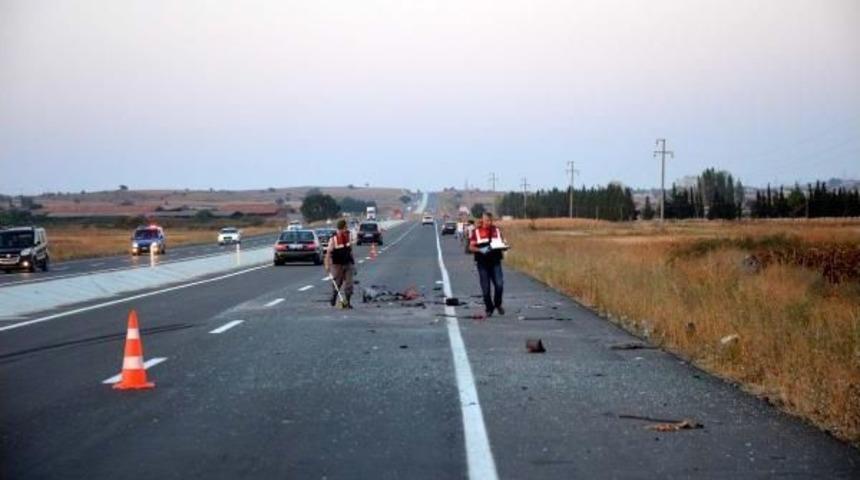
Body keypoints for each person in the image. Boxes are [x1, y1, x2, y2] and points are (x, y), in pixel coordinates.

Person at [468, 212, 506, 317]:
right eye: (487, 221)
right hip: (483, 263)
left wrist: (504, 246)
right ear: (483, 220)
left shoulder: (497, 231)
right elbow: (470, 247)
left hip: (495, 262)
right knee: (486, 289)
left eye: (490, 220)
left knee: (499, 285)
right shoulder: (476, 232)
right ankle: (489, 308)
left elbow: (502, 242)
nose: (489, 222)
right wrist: (480, 250)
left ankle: (498, 304)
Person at [324, 219, 355, 308]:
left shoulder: (349, 236)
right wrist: (327, 265)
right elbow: (328, 253)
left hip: (348, 263)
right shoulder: (333, 239)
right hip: (337, 265)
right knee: (338, 282)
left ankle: (348, 302)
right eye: (345, 227)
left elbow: (350, 250)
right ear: (341, 228)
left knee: (349, 283)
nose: (347, 229)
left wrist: (353, 263)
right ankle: (334, 296)